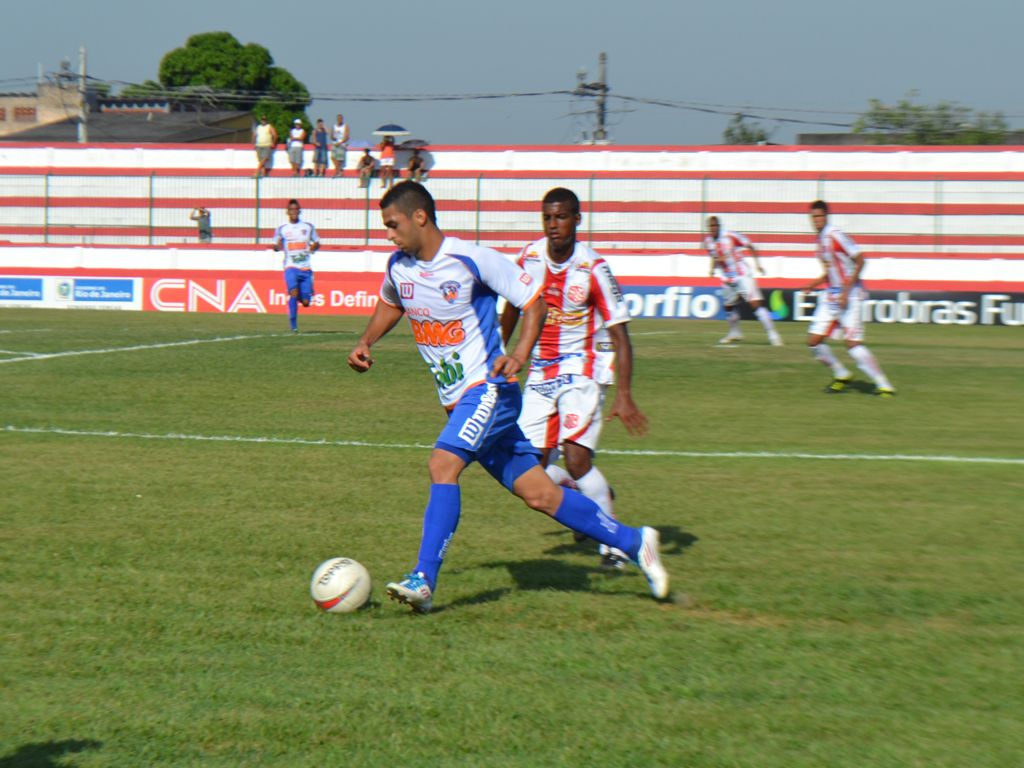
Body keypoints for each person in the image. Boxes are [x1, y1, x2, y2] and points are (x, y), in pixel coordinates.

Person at [347, 181, 669, 613]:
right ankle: (635, 541)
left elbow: (533, 302)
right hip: (458, 399)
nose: (388, 233)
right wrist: (368, 340)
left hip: (490, 390)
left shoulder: (471, 259)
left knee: (442, 463)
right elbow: (392, 302)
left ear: (419, 216)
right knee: (541, 494)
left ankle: (423, 580)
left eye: (392, 224)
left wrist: (518, 353)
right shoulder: (398, 267)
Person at [500, 187, 648, 570]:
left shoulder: (593, 268)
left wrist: (625, 395)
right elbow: (512, 308)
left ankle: (613, 546)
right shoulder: (529, 258)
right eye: (548, 217)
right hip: (542, 369)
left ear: (577, 219)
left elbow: (620, 334)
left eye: (561, 217)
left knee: (578, 457)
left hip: (584, 367)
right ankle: (588, 491)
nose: (553, 225)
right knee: (528, 470)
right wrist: (500, 353)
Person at [804, 200, 896, 396]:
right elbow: (830, 272)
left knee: (852, 344)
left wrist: (846, 291)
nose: (816, 220)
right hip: (831, 295)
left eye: (819, 216)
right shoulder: (819, 242)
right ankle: (841, 374)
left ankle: (884, 385)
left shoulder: (836, 236)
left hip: (850, 294)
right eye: (813, 217)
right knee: (814, 341)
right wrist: (812, 285)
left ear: (826, 216)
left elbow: (861, 260)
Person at [704, 216, 782, 346]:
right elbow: (714, 256)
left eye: (715, 226)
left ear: (719, 226)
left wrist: (758, 265)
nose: (713, 229)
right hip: (727, 278)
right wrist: (711, 270)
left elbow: (750, 246)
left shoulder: (730, 236)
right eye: (710, 227)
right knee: (728, 307)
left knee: (755, 304)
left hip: (742, 274)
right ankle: (735, 332)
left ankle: (773, 334)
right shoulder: (708, 242)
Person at [273, 199, 320, 333]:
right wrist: (276, 247)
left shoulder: (308, 227)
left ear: (299, 211)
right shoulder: (282, 228)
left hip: (305, 268)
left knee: (306, 302)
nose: (293, 212)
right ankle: (293, 326)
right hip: (290, 267)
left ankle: (302, 295)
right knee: (292, 293)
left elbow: (317, 242)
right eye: (291, 210)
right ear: (287, 212)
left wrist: (313, 247)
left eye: (296, 209)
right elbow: (276, 242)